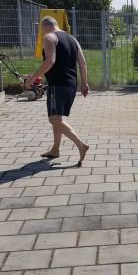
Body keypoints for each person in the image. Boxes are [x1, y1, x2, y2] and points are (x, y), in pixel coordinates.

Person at [25, 16, 90, 165]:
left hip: (58, 85)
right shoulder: (72, 39)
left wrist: (33, 78)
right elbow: (83, 63)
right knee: (58, 119)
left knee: (54, 119)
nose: (41, 34)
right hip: (71, 85)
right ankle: (55, 149)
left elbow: (50, 61)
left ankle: (81, 145)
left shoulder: (49, 37)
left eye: (41, 30)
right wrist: (85, 83)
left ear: (45, 27)